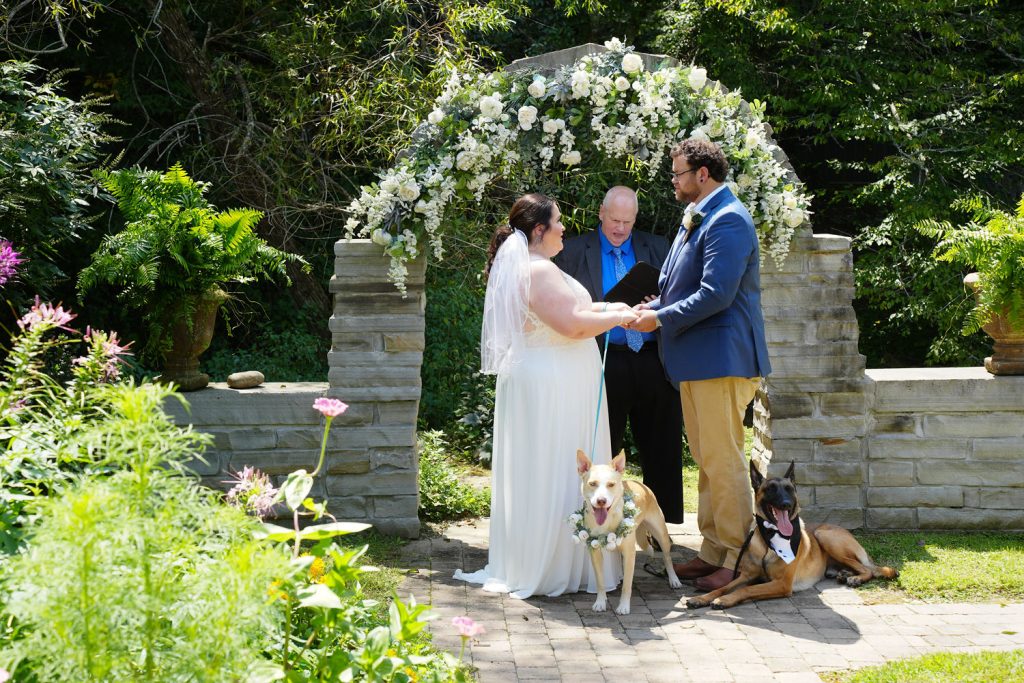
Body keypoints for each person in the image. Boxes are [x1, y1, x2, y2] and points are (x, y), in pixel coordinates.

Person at [454, 193, 639, 599]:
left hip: (556, 378)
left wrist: (614, 306)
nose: (564, 229)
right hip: (554, 384)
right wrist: (622, 316)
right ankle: (555, 565)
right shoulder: (537, 271)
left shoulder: (538, 268)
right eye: (558, 222)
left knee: (555, 467)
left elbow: (576, 312)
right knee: (555, 466)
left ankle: (570, 556)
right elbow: (571, 325)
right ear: (539, 230)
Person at [629, 140, 772, 591]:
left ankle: (739, 559)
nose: (673, 181)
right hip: (697, 362)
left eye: (677, 174)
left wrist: (660, 319)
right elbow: (685, 282)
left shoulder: (728, 220)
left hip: (721, 360)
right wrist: (660, 301)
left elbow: (717, 294)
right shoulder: (699, 216)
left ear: (703, 174)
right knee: (709, 462)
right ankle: (713, 551)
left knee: (724, 462)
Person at [553, 186, 684, 523]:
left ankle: (661, 529)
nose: (620, 228)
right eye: (614, 219)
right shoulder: (572, 250)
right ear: (601, 212)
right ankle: (601, 525)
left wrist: (658, 302)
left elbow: (679, 295)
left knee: (662, 447)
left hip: (654, 358)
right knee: (602, 445)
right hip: (602, 359)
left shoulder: (657, 247)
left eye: (628, 221)